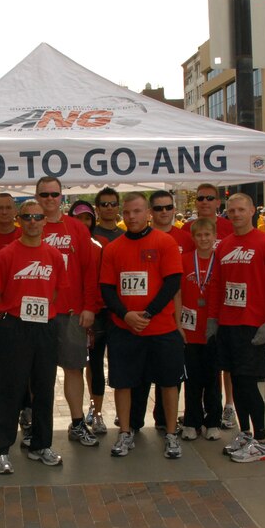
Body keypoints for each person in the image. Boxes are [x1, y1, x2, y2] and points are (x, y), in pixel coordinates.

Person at [100, 192, 184, 459]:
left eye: (136, 211)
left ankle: (171, 434)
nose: (131, 217)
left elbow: (172, 283)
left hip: (161, 328)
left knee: (169, 382)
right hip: (125, 329)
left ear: (147, 213)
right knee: (123, 383)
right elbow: (107, 288)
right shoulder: (113, 248)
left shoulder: (165, 242)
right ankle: (125, 432)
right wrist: (126, 316)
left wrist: (147, 313)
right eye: (127, 212)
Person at [0, 200, 68, 474]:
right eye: (28, 217)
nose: (33, 221)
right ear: (20, 221)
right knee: (10, 388)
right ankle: (0, 450)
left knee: (44, 387)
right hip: (15, 327)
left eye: (38, 217)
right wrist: (9, 319)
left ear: (45, 220)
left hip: (45, 326)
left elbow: (56, 292)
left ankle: (41, 445)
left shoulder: (54, 256)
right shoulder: (6, 254)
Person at [209, 193, 265, 463]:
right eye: (231, 210)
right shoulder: (224, 245)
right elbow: (218, 285)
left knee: (250, 384)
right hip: (228, 326)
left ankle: (263, 441)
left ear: (253, 211)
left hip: (253, 326)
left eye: (241, 209)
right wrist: (213, 319)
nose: (236, 214)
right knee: (238, 384)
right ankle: (245, 433)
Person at [35, 176, 99, 447]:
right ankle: (38, 426)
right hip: (38, 313)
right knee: (39, 373)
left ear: (62, 196)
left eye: (54, 194)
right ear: (37, 196)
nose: (50, 199)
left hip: (72, 312)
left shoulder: (76, 228)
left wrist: (89, 307)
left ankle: (77, 422)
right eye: (44, 194)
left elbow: (89, 270)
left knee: (74, 368)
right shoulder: (29, 226)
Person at [193, 183, 239, 431]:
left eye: (210, 198)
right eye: (200, 198)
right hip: (199, 308)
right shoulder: (190, 229)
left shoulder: (230, 228)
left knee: (226, 362)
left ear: (218, 202)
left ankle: (229, 406)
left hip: (227, 304)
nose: (205, 202)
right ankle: (203, 407)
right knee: (204, 363)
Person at [178, 218, 222, 442]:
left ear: (215, 236)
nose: (204, 239)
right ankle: (191, 421)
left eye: (208, 235)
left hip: (214, 329)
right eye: (199, 236)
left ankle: (213, 420)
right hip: (190, 329)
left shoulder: (221, 261)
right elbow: (176, 293)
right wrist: (178, 324)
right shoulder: (185, 260)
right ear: (193, 238)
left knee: (213, 378)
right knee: (192, 379)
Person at [68, 199, 108, 435]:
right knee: (74, 367)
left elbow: (100, 280)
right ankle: (78, 416)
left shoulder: (98, 245)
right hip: (71, 315)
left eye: (87, 218)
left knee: (96, 366)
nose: (83, 222)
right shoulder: (63, 243)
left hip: (96, 313)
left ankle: (98, 412)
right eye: (78, 217)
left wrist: (92, 306)